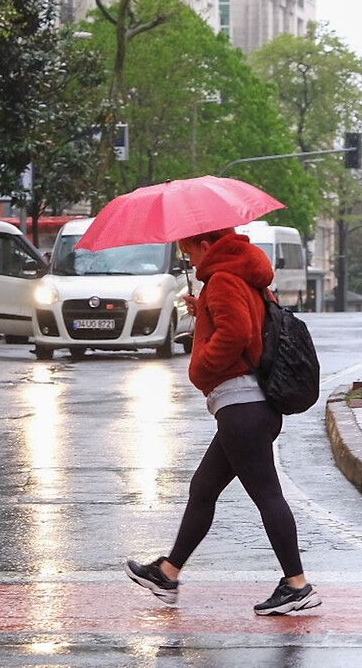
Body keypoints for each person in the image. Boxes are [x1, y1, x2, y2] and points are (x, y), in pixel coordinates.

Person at [125, 227, 320, 616]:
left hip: (242, 405)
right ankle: (168, 572)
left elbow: (237, 333)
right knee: (203, 488)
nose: (190, 261)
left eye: (189, 252)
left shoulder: (224, 277)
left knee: (267, 495)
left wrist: (202, 367)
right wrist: (206, 311)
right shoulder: (244, 275)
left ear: (206, 245)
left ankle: (297, 585)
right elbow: (246, 322)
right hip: (250, 405)